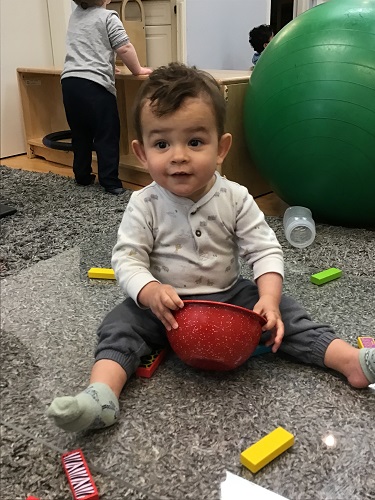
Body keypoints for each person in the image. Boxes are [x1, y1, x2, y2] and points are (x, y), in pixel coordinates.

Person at [47, 63, 375, 433]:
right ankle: (102, 394)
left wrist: (268, 296)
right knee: (119, 325)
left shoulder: (235, 197)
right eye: (161, 143)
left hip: (229, 296)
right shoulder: (144, 203)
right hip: (165, 306)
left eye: (195, 142)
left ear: (221, 148)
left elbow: (264, 250)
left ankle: (349, 360)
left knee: (286, 313)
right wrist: (149, 290)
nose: (179, 156)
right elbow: (127, 257)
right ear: (141, 153)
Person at [62, 0, 152, 195]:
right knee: (106, 134)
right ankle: (110, 181)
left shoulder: (75, 16)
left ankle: (82, 175)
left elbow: (88, 47)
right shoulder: (108, 17)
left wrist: (108, 65)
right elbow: (124, 48)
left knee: (80, 133)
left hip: (70, 83)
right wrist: (137, 70)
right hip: (95, 86)